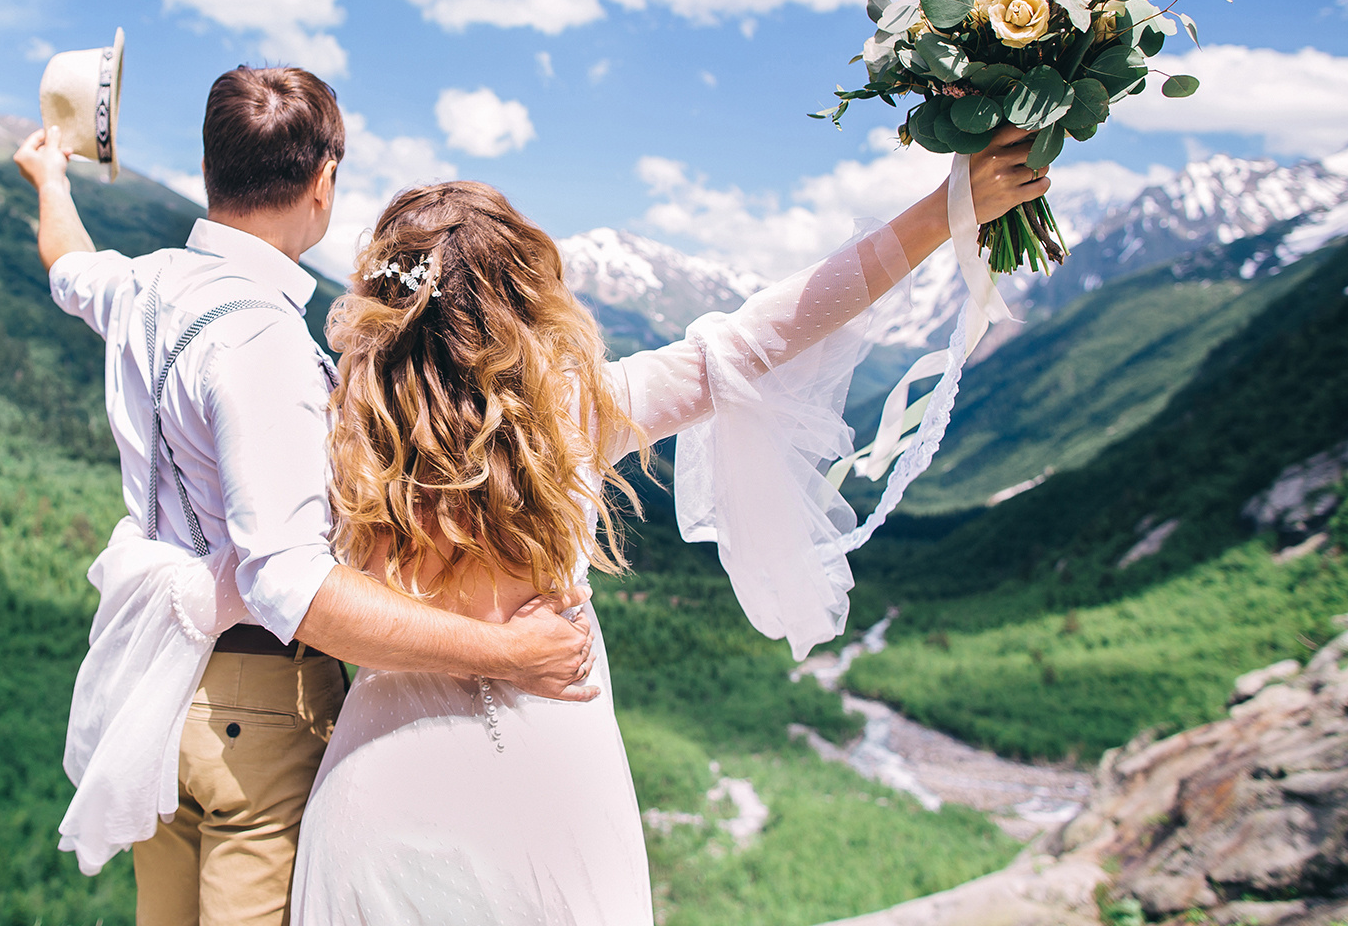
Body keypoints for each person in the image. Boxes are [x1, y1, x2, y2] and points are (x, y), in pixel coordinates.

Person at [290, 127, 1051, 924]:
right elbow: (767, 331)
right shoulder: (574, 415)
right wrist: (946, 208)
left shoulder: (334, 435)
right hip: (548, 787)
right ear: (525, 301)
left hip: (379, 790)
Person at [15, 66, 602, 926]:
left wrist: (51, 178)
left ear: (213, 166)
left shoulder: (141, 286)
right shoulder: (262, 339)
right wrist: (510, 655)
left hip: (157, 691)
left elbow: (69, 267)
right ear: (323, 182)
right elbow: (290, 584)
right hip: (261, 710)